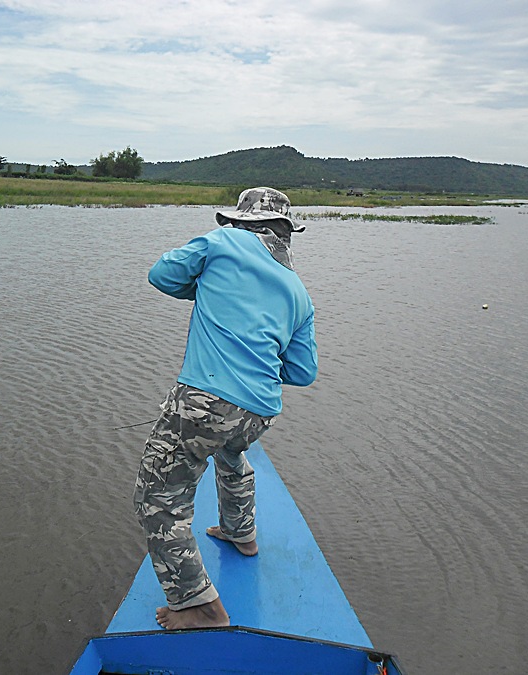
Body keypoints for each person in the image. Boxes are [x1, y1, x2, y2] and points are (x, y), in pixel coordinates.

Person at [133, 186, 318, 630]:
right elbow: (302, 372)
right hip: (258, 414)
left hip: (204, 402)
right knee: (229, 451)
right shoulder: (297, 290)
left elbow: (161, 275)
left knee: (158, 500)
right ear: (284, 233)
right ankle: (241, 531)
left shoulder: (221, 243)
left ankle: (197, 604)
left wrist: (207, 290)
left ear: (242, 222)